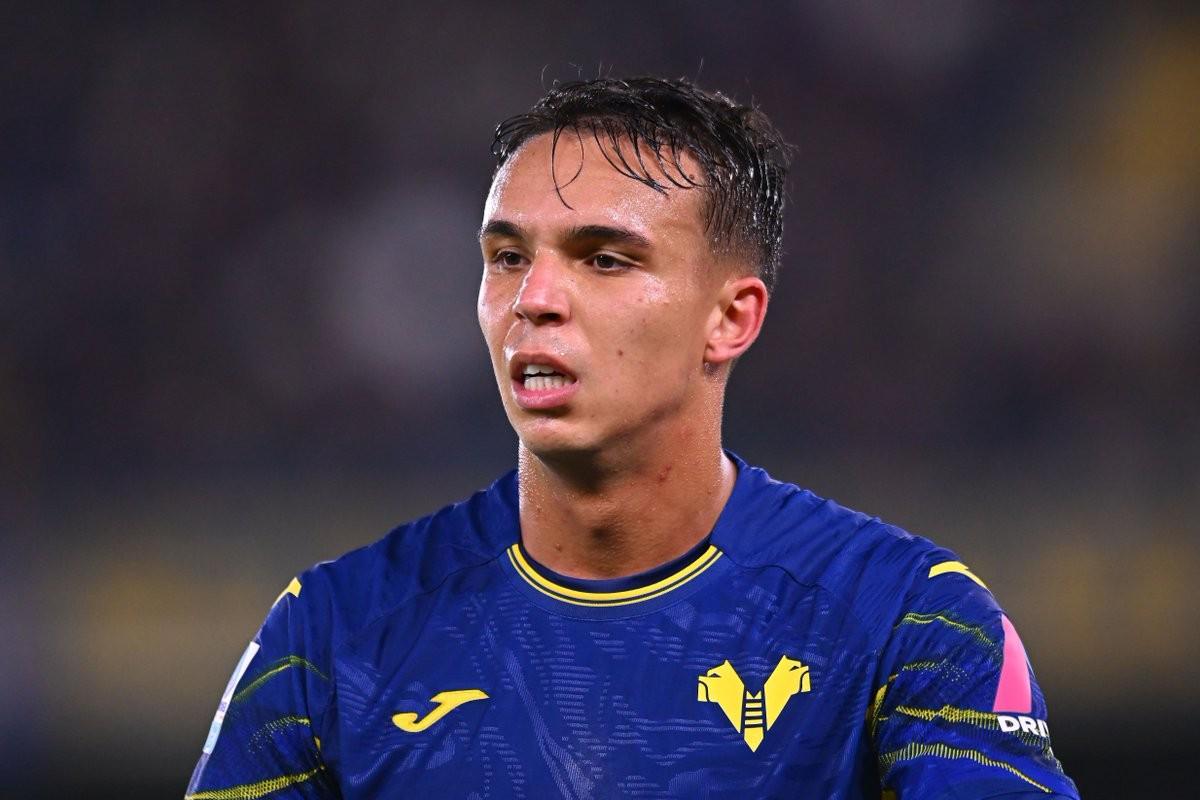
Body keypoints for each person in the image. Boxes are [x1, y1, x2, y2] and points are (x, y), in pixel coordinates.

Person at [186, 76, 1079, 799]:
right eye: (507, 257)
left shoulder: (908, 620)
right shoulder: (332, 635)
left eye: (605, 259)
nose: (534, 299)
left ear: (730, 318)